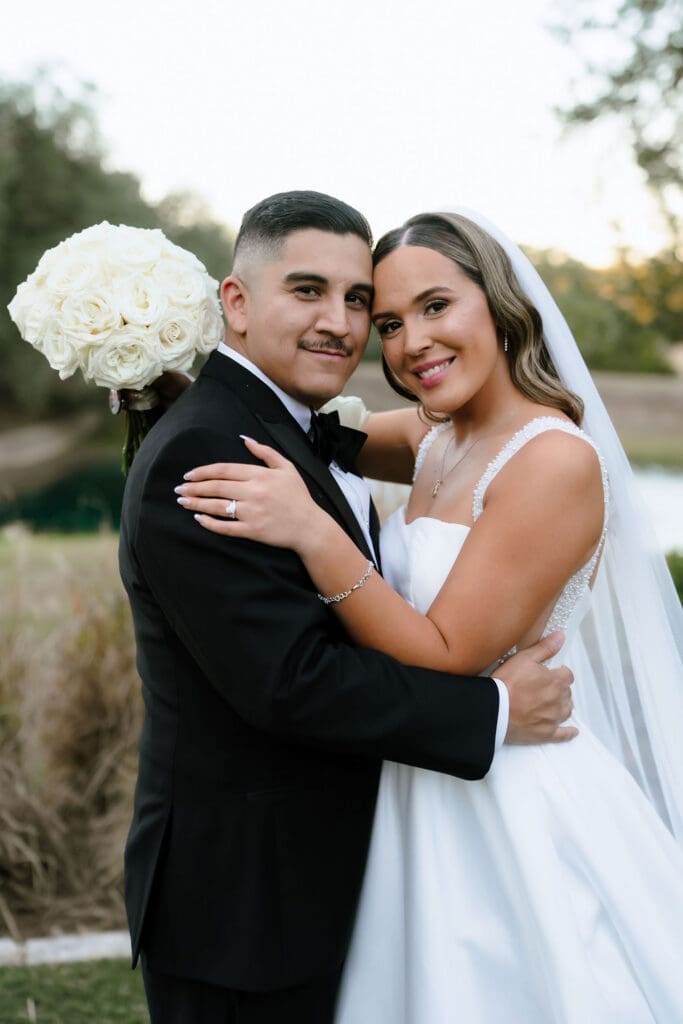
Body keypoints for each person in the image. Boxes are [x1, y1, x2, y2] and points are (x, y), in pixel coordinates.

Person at [178, 209, 683, 1021]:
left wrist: (313, 531)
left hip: (511, 785)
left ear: (500, 304)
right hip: (416, 774)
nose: (411, 343)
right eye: (388, 323)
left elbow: (445, 652)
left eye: (436, 307)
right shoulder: (434, 435)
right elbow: (304, 430)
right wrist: (169, 387)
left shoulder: (549, 459)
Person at [118, 192, 574, 1024]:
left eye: (360, 302)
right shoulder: (211, 447)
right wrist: (495, 710)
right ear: (236, 302)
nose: (344, 322)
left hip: (353, 857)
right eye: (307, 291)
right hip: (246, 900)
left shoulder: (297, 428)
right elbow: (290, 683)